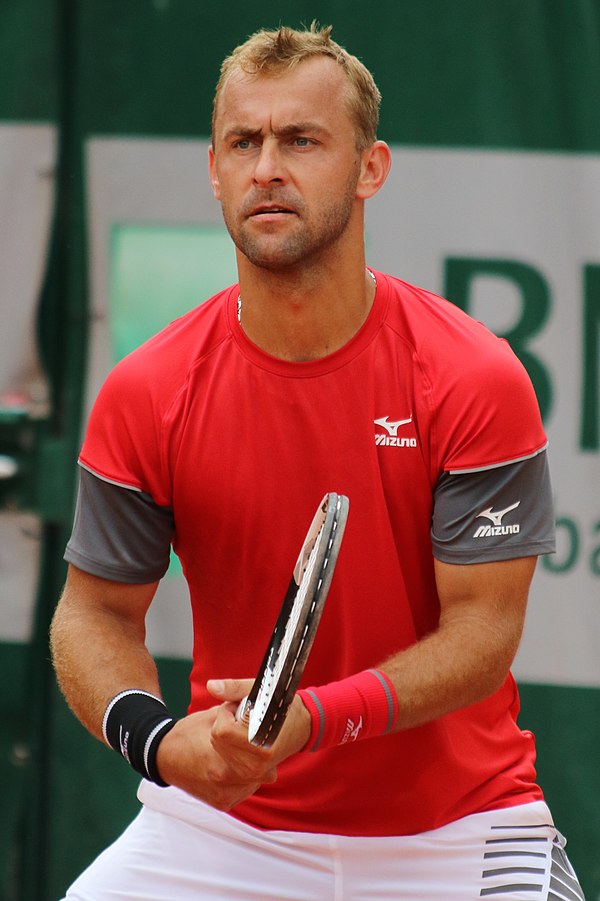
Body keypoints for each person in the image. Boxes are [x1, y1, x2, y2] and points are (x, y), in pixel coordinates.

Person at [50, 23, 585, 901]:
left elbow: (482, 635)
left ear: (370, 167)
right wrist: (157, 739)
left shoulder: (470, 376)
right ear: (214, 170)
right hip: (220, 833)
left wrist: (314, 720)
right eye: (243, 141)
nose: (267, 167)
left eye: (300, 139)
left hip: (455, 832)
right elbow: (94, 615)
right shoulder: (147, 391)